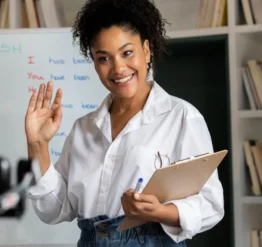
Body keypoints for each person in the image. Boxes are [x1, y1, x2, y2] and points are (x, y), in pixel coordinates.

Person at [25, 0, 224, 246]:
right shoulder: (83, 129)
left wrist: (159, 212)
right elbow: (53, 210)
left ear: (147, 50)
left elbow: (211, 204)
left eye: (127, 53)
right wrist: (37, 145)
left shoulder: (181, 117)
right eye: (103, 58)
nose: (118, 68)